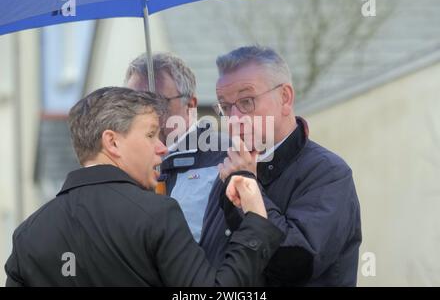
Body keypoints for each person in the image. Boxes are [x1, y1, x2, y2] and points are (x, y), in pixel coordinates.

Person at [4, 87, 283, 287]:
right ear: (112, 142)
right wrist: (256, 222)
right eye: (151, 134)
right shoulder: (158, 216)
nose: (162, 148)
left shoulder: (28, 235)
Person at [200, 45, 362, 286]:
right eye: (225, 107)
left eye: (246, 101)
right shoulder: (230, 169)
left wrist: (249, 188)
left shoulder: (329, 174)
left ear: (285, 97)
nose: (234, 119)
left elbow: (294, 265)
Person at [125, 53, 227, 242]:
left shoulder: (227, 156)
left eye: (159, 102)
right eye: (134, 103)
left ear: (190, 105)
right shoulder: (122, 164)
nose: (145, 113)